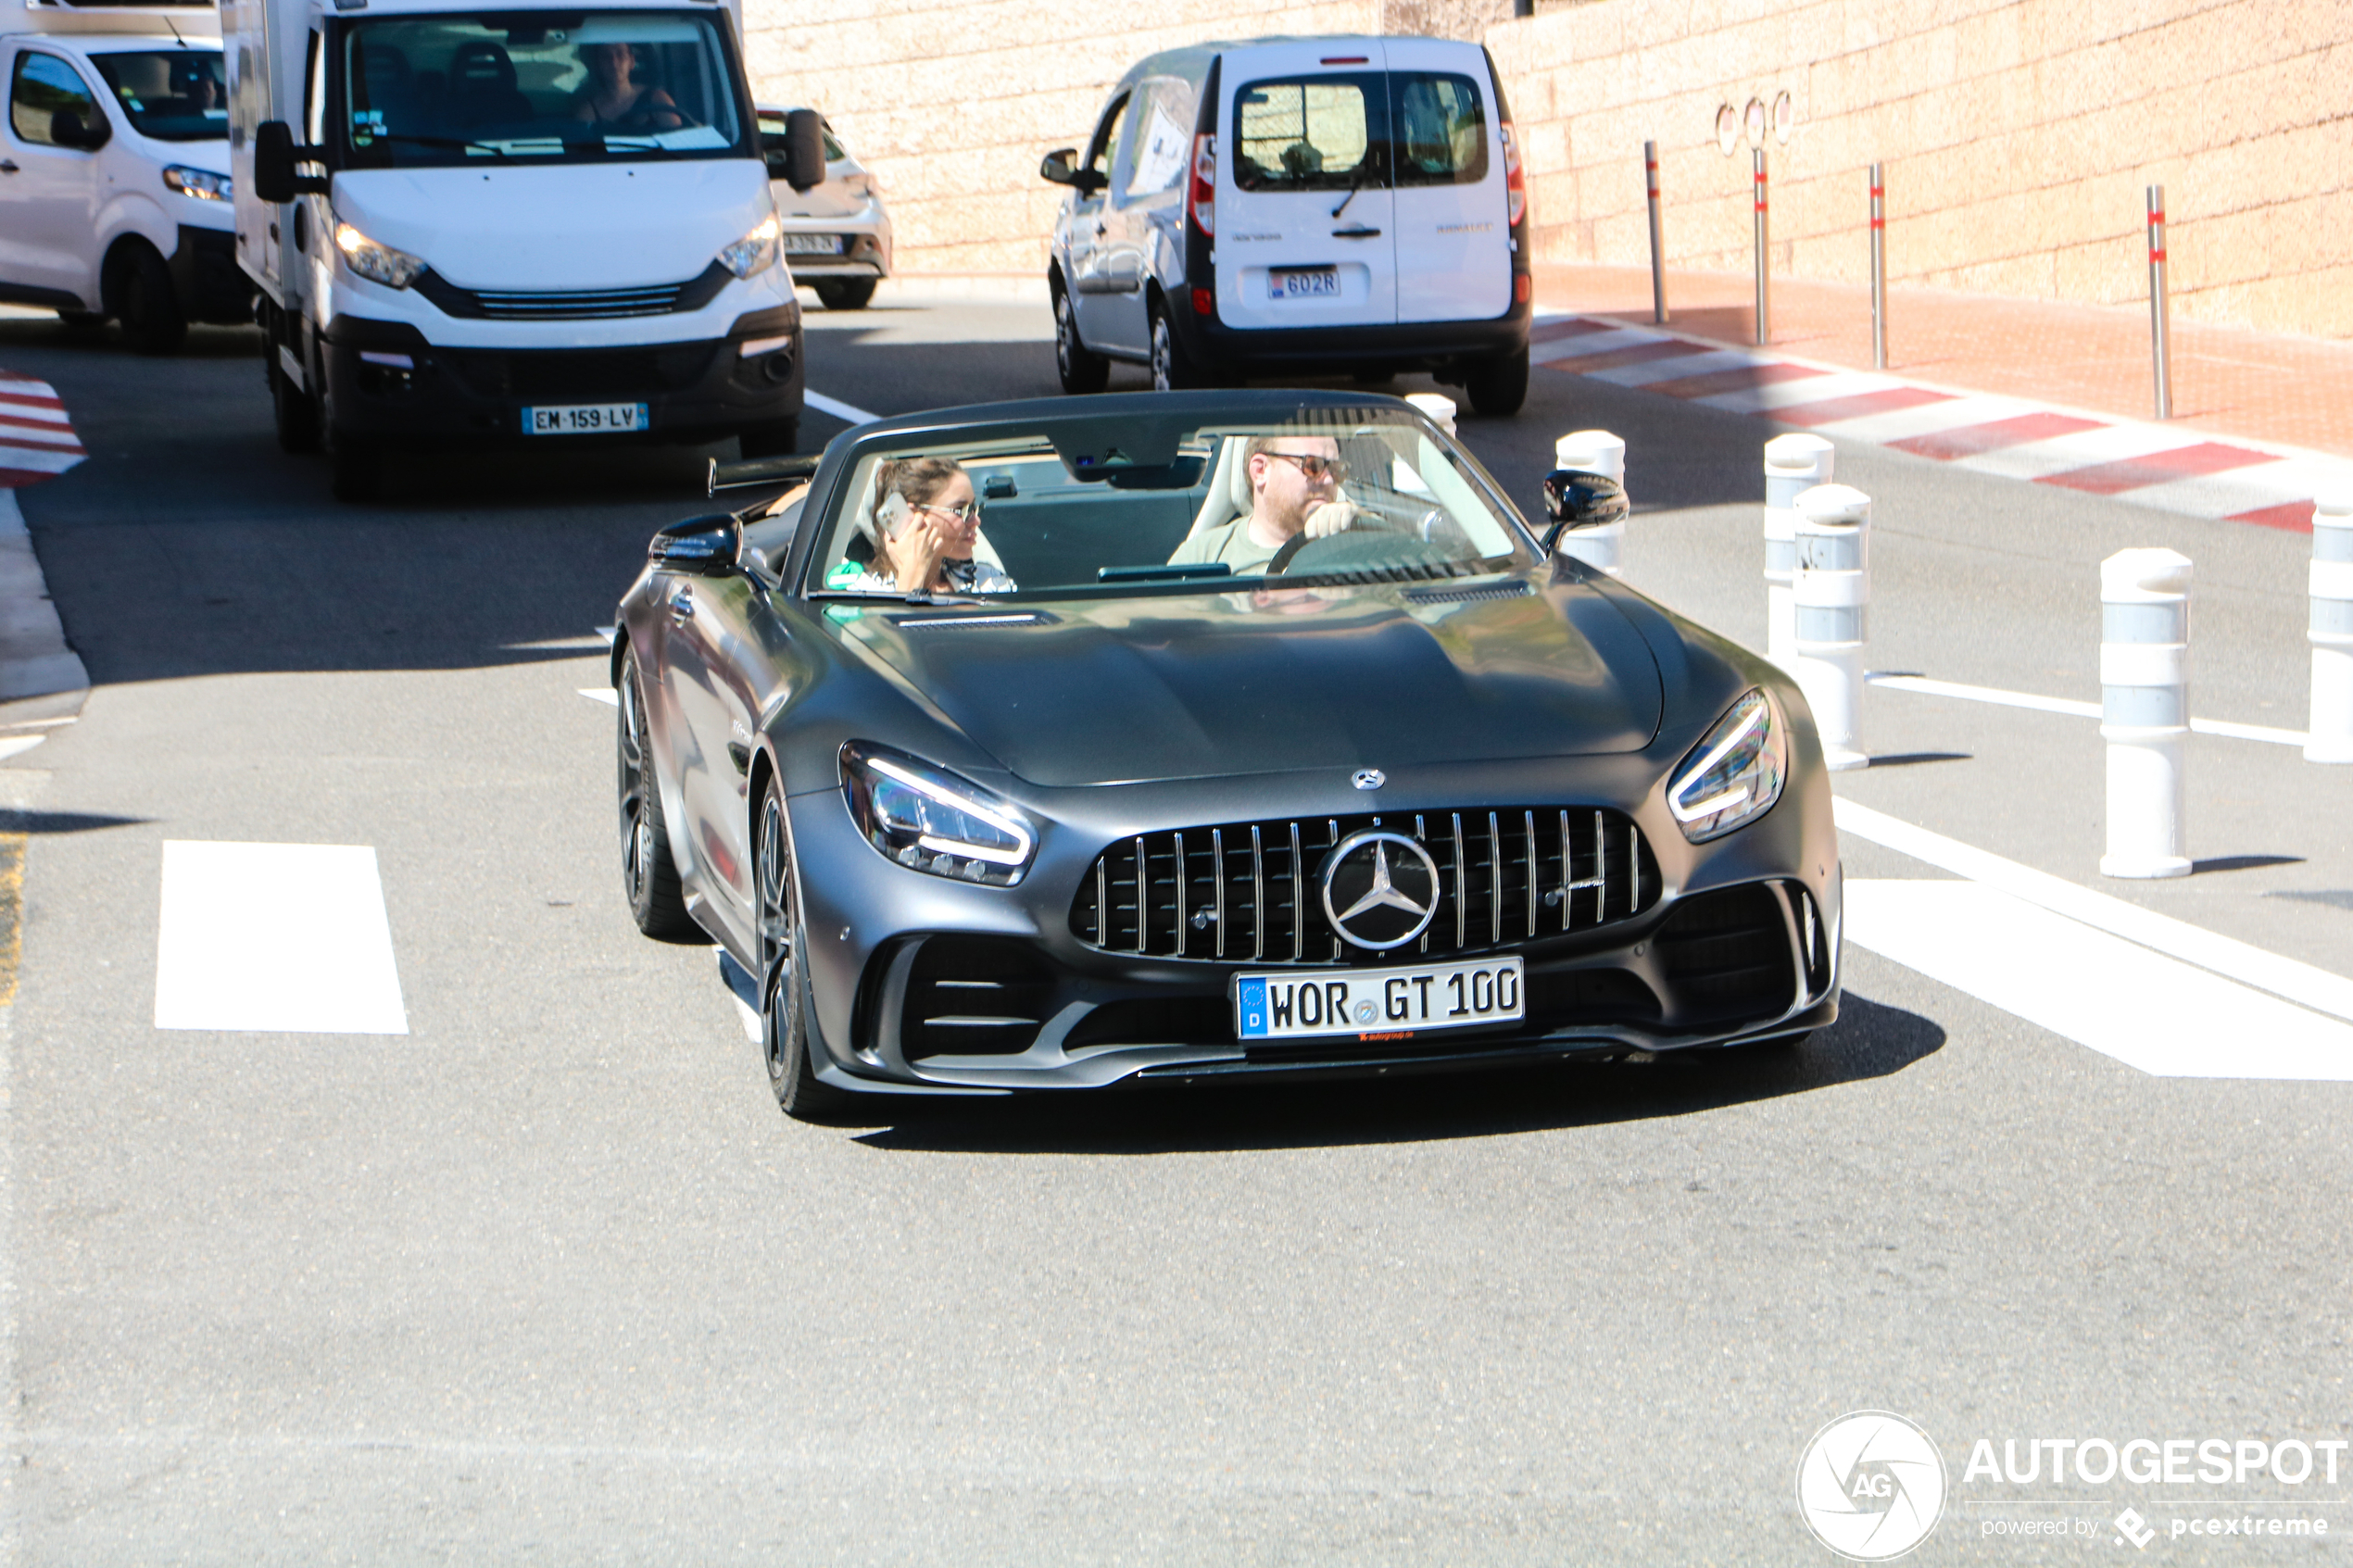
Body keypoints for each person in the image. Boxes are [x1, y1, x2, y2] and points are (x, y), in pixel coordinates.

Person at [1167, 434, 1358, 573]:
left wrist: (1359, 529)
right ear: (1260, 470)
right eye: (1313, 465)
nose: (1329, 481)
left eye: (1336, 470)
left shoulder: (1355, 546)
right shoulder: (1201, 557)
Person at [829, 458, 1015, 596]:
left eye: (974, 508)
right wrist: (911, 579)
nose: (976, 520)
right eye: (961, 509)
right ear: (913, 515)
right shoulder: (861, 592)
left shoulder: (988, 581)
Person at [571, 43, 683, 131]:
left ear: (632, 62)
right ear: (598, 64)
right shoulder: (588, 112)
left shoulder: (658, 100)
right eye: (606, 56)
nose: (614, 62)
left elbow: (678, 145)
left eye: (620, 54)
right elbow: (582, 154)